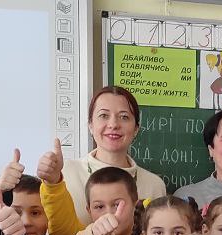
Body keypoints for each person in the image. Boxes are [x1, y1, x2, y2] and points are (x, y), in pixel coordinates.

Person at [31, 86, 167, 223]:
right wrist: (52, 182)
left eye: (124, 117)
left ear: (136, 129)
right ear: (90, 125)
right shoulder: (63, 174)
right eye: (104, 116)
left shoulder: (154, 185)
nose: (113, 124)